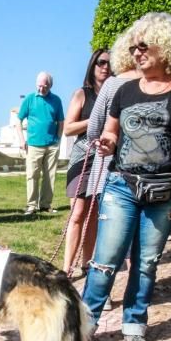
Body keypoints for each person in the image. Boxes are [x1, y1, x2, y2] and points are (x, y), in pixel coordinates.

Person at [81, 12, 171, 341]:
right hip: (122, 185)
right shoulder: (125, 90)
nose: (137, 53)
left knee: (146, 262)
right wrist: (108, 141)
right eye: (133, 47)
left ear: (165, 48)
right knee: (105, 259)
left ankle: (134, 322)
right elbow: (111, 130)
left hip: (165, 191)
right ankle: (83, 323)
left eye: (144, 46)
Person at [62, 48, 110, 275]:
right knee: (78, 213)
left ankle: (87, 262)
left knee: (93, 215)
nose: (105, 67)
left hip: (105, 160)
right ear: (92, 65)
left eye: (110, 64)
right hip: (82, 158)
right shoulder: (83, 94)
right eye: (101, 62)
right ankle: (67, 267)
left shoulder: (115, 95)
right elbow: (69, 128)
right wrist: (94, 120)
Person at [18, 71, 65, 215]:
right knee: (32, 175)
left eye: (44, 86)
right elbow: (18, 120)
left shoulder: (56, 100)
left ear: (50, 85)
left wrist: (58, 138)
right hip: (33, 144)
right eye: (39, 86)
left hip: (52, 144)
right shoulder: (29, 99)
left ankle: (45, 205)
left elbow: (61, 121)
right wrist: (22, 140)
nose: (41, 89)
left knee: (50, 176)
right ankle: (31, 205)